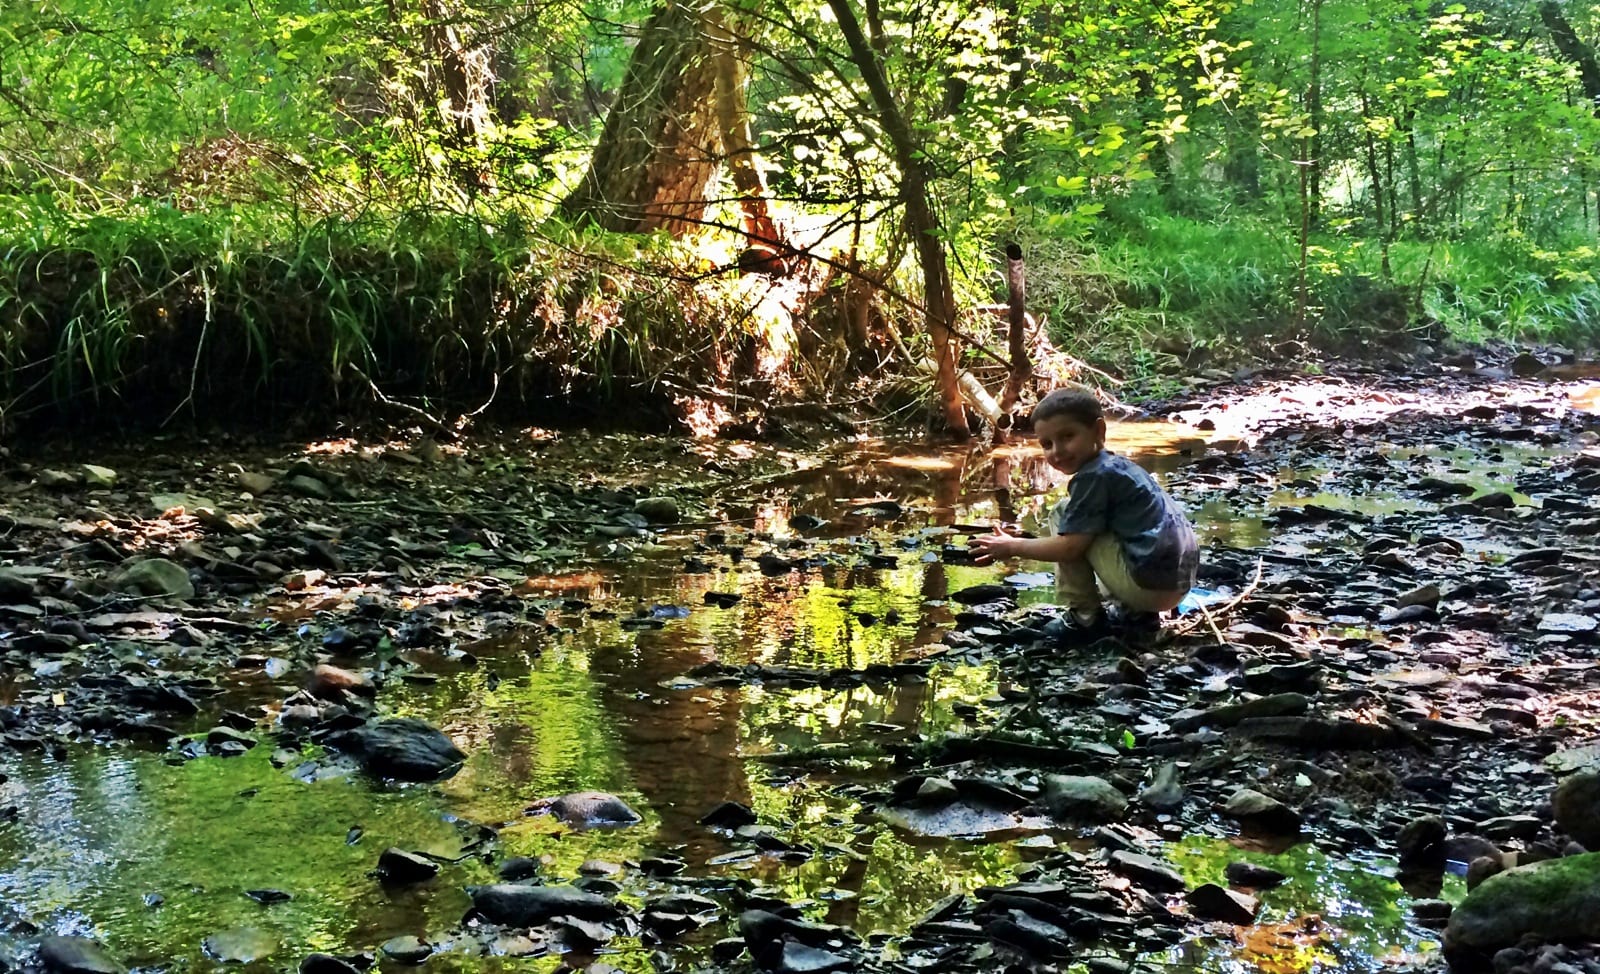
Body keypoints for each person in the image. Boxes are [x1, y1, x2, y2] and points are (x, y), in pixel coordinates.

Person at [970, 386, 1198, 636]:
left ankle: (1084, 616)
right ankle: (1136, 614)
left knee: (1061, 513)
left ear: (1098, 431)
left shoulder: (1094, 476)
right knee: (1075, 516)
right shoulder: (1118, 466)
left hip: (1151, 589)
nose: (1057, 451)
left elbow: (1069, 548)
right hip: (1178, 584)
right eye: (1047, 444)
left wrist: (1011, 546)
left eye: (1067, 436)